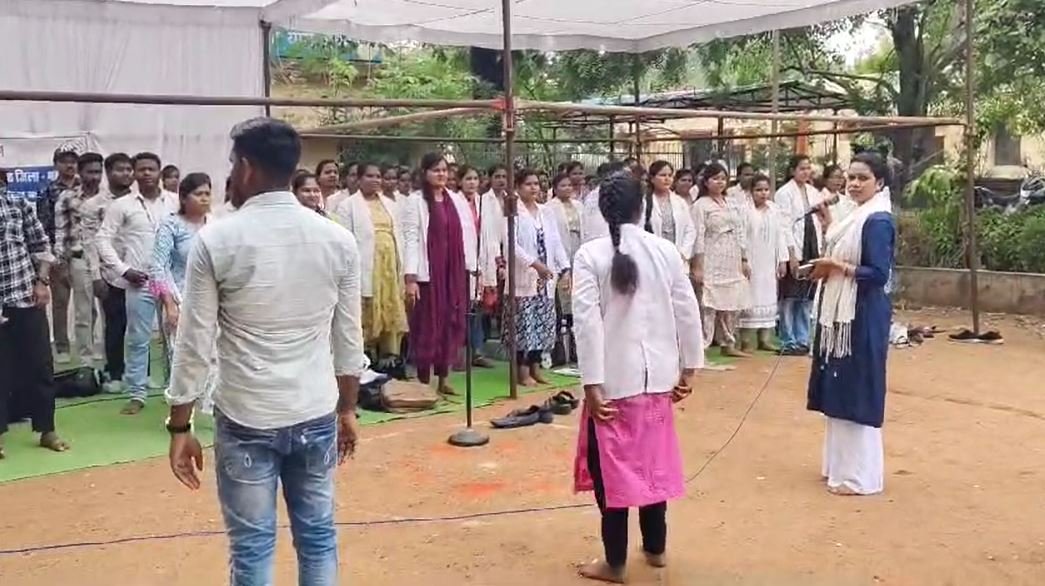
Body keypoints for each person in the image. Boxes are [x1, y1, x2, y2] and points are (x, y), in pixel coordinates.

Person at [166, 117, 365, 585]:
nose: (230, 175)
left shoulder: (217, 239)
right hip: (314, 410)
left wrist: (179, 425)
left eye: (232, 164)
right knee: (318, 537)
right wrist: (348, 408)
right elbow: (348, 337)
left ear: (247, 167)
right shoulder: (337, 239)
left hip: (247, 415)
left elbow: (194, 342)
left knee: (252, 548)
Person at [571, 172, 702, 584]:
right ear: (641, 208)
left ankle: (615, 562)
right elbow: (687, 310)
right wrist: (690, 366)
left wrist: (592, 384)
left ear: (602, 210)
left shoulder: (590, 255)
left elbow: (586, 325)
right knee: (652, 464)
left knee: (611, 475)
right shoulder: (664, 251)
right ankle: (656, 548)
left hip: (613, 383)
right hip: (657, 379)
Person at [807, 152, 895, 496]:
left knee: (856, 387)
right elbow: (843, 248)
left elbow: (878, 273)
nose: (855, 184)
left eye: (863, 178)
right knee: (838, 384)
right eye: (851, 177)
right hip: (841, 312)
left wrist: (837, 267)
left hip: (861, 314)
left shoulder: (877, 220)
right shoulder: (854, 215)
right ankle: (838, 466)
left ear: (880, 183)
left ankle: (858, 476)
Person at [96, 152, 179, 415]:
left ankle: (176, 391)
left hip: (170, 281)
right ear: (134, 173)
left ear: (159, 172)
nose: (146, 173)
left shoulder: (175, 201)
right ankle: (137, 393)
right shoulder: (122, 205)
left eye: (151, 169)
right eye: (140, 169)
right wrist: (123, 269)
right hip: (140, 280)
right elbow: (102, 239)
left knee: (174, 337)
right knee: (138, 339)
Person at [0, 172, 69, 457]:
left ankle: (47, 430)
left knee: (40, 366)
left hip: (24, 297)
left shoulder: (18, 204)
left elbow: (41, 246)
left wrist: (41, 282)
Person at [400, 153, 477, 395]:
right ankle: (424, 381)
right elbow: (411, 239)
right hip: (428, 275)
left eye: (444, 170)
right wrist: (411, 278)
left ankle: (444, 379)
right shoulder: (414, 202)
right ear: (425, 173)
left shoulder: (455, 200)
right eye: (436, 170)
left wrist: (471, 268)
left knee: (449, 324)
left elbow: (467, 236)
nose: (441, 174)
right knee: (426, 326)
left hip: (452, 273)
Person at [332, 163, 408, 370]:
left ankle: (390, 362)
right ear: (359, 179)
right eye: (369, 176)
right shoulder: (347, 206)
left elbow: (399, 235)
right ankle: (365, 362)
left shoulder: (390, 204)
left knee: (390, 311)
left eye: (378, 176)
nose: (375, 180)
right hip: (365, 266)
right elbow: (345, 240)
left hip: (389, 267)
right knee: (364, 314)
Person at [507, 169, 570, 386]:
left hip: (545, 279)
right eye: (528, 184)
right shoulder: (513, 211)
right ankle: (522, 371)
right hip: (525, 277)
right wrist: (534, 264)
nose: (533, 188)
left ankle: (535, 368)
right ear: (518, 187)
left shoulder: (546, 212)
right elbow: (511, 244)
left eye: (536, 184)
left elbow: (556, 242)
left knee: (542, 325)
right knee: (525, 325)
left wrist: (565, 268)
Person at [85, 153, 134, 391]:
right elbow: (90, 243)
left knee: (140, 326)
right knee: (115, 325)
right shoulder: (93, 205)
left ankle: (140, 374)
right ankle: (115, 374)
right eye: (119, 169)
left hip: (139, 273)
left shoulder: (140, 202)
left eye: (128, 169)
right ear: (108, 172)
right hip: (111, 274)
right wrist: (96, 276)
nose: (125, 174)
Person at [691, 162, 751, 358]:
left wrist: (744, 259)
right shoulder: (700, 205)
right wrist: (698, 265)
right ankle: (702, 345)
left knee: (732, 300)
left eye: (723, 179)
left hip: (732, 257)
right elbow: (698, 236)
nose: (720, 182)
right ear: (706, 182)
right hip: (711, 257)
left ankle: (728, 341)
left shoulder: (732, 202)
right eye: (715, 178)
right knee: (709, 303)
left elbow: (741, 231)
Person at [53, 152, 105, 363]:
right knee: (84, 312)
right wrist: (61, 261)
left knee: (108, 311)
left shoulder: (109, 199)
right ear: (80, 172)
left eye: (98, 172)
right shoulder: (67, 197)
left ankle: (107, 354)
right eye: (90, 172)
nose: (95, 177)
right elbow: (60, 232)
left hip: (107, 261)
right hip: (79, 258)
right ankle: (86, 360)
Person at [775, 154, 827, 356]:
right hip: (794, 246)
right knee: (790, 296)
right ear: (792, 171)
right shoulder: (784, 193)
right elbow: (784, 225)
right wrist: (791, 255)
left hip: (811, 245)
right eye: (801, 168)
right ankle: (788, 340)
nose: (806, 172)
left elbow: (821, 220)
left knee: (806, 296)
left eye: (808, 168)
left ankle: (803, 338)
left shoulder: (814, 192)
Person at [37, 147, 80, 364]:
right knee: (60, 304)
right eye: (64, 161)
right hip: (60, 253)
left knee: (87, 304)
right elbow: (43, 226)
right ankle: (62, 347)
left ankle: (87, 345)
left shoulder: (86, 188)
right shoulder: (48, 191)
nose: (70, 165)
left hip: (84, 253)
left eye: (73, 161)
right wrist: (51, 255)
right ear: (56, 164)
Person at [739, 174, 788, 353]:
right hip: (751, 259)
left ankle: (764, 339)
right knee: (749, 297)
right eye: (759, 190)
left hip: (768, 260)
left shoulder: (774, 209)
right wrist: (743, 259)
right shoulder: (744, 210)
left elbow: (780, 235)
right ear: (751, 191)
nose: (763, 193)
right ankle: (745, 341)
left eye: (766, 190)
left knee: (768, 296)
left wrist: (782, 260)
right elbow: (740, 235)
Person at [457, 165, 494, 368]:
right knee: (460, 307)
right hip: (462, 261)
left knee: (476, 307)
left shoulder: (483, 203)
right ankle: (459, 352)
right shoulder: (455, 202)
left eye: (475, 179)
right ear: (460, 181)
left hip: (481, 259)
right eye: (468, 179)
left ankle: (477, 351)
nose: (472, 183)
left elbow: (489, 235)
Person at [644, 160, 696, 262]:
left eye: (670, 175)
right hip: (653, 258)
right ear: (652, 178)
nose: (667, 179)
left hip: (677, 256)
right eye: (662, 175)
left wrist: (683, 253)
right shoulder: (644, 202)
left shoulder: (680, 202)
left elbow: (690, 229)